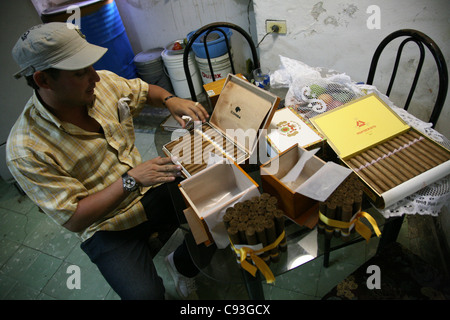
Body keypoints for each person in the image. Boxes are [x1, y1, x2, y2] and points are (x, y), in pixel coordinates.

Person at [7, 22, 209, 300]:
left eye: (91, 68)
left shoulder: (100, 86)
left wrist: (169, 99)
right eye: (81, 73)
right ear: (43, 80)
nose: (96, 78)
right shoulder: (27, 149)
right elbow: (74, 218)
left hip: (148, 188)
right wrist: (132, 179)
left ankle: (182, 266)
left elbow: (143, 91)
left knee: (217, 213)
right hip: (105, 225)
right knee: (144, 296)